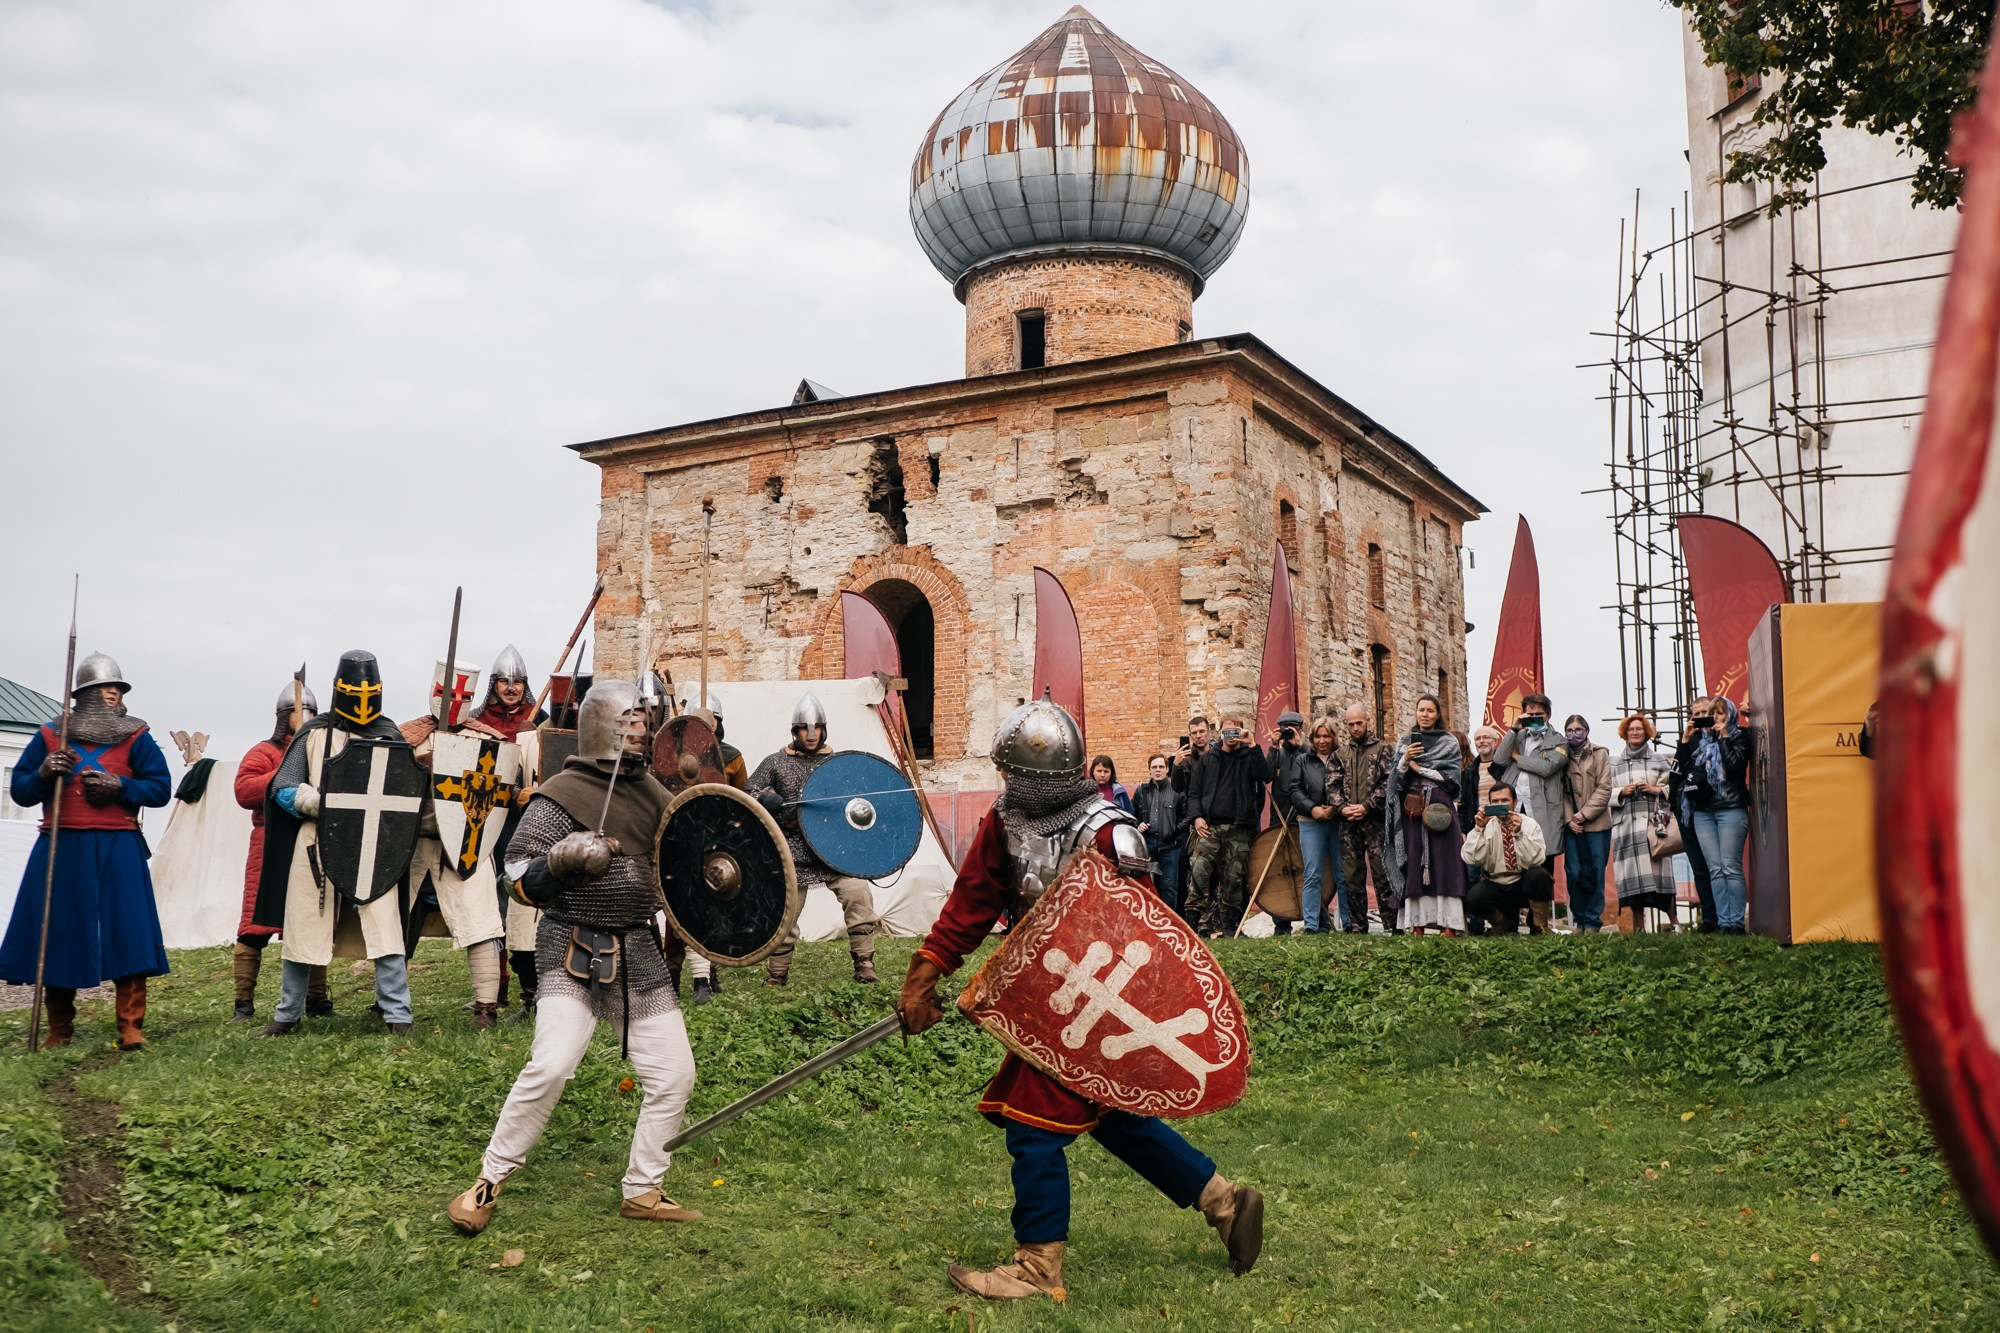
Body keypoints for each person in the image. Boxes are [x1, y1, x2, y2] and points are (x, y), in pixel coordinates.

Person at [896, 693, 1263, 1301]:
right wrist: (926, 970)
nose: (1012, 785)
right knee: (1113, 1115)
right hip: (1044, 1002)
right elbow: (975, 897)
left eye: (1020, 776)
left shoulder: (1112, 835)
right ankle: (1223, 1201)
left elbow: (1140, 937)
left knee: (1034, 1127)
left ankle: (1038, 1269)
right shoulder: (1007, 818)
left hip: (1095, 1004)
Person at [448, 679, 701, 1234]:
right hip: (571, 947)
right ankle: (487, 1182)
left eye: (643, 722)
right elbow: (515, 877)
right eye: (628, 722)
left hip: (638, 949)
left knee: (675, 1074)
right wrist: (560, 862)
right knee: (552, 1064)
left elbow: (685, 865)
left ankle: (644, 1188)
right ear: (600, 728)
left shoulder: (658, 797)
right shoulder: (561, 793)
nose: (639, 732)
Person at [0, 653, 171, 1050]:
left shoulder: (136, 735)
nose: (114, 693)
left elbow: (159, 788)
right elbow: (22, 790)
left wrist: (121, 787)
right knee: (59, 933)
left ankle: (131, 1028)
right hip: (63, 844)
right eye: (106, 688)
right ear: (85, 694)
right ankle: (59, 1031)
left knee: (129, 932)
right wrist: (44, 774)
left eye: (118, 688)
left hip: (118, 844)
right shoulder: (49, 735)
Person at [254, 649, 416, 1036]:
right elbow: (284, 789)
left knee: (385, 926)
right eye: (353, 692)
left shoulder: (389, 735)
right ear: (339, 690)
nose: (361, 701)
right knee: (303, 925)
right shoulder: (314, 733)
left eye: (368, 692)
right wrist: (317, 802)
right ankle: (287, 1013)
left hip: (374, 845)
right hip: (317, 841)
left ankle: (398, 1014)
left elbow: (404, 796)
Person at [402, 658, 511, 1030]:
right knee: (397, 919)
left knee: (481, 923)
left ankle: (486, 1007)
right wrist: (420, 768)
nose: (452, 701)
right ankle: (392, 1000)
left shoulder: (487, 742)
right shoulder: (405, 738)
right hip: (413, 842)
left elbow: (499, 790)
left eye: (461, 695)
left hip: (467, 845)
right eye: (445, 693)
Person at [751, 692, 880, 984]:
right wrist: (764, 799)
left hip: (832, 851)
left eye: (817, 728)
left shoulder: (836, 763)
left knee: (858, 894)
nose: (811, 735)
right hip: (793, 850)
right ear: (794, 731)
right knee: (785, 912)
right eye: (805, 729)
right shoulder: (775, 762)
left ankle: (865, 963)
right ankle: (778, 974)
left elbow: (858, 799)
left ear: (824, 729)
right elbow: (747, 794)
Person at [231, 680, 332, 1023]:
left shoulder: (322, 750)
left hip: (308, 842)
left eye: (313, 713)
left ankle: (317, 1000)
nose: (308, 717)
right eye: (302, 711)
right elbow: (244, 791)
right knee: (253, 926)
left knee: (310, 921)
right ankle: (243, 1003)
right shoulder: (263, 752)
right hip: (267, 842)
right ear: (285, 715)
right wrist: (286, 773)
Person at [473, 645, 544, 1016]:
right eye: (505, 680)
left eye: (518, 682)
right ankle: (494, 985)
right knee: (492, 904)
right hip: (487, 821)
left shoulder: (541, 720)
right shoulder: (476, 721)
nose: (511, 687)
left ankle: (533, 991)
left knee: (525, 903)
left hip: (527, 822)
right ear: (494, 683)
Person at [1385, 695, 1467, 937]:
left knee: (1445, 862)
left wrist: (1420, 769)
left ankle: (1449, 925)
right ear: (1416, 712)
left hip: (1440, 808)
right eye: (1421, 709)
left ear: (1438, 714)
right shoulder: (1404, 741)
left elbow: (1453, 779)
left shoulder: (1449, 742)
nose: (1425, 714)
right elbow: (1395, 781)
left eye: (1430, 710)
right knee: (1412, 862)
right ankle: (1417, 924)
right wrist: (1405, 761)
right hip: (1412, 811)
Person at [1675, 696, 1752, 934]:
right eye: (1713, 713)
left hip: (1730, 808)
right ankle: (1723, 922)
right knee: (1715, 869)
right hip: (1703, 812)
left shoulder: (1741, 735)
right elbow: (1686, 772)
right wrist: (1686, 740)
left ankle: (1736, 923)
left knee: (1730, 867)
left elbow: (1735, 765)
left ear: (1730, 714)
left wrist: (1725, 737)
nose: (1716, 718)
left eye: (1721, 713)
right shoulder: (1700, 740)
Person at [1185, 717, 1267, 937]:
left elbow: (1265, 775)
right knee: (1199, 872)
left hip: (1239, 827)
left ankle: (1231, 928)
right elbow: (1194, 793)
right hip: (1209, 826)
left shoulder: (1249, 755)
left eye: (1235, 731)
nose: (1231, 736)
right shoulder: (1208, 759)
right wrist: (1197, 817)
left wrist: (1252, 745)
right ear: (1219, 733)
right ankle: (1192, 926)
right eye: (1227, 731)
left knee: (1234, 878)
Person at [1608, 714, 1678, 932]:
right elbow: (1604, 792)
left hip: (1653, 828)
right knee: (1634, 883)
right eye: (1631, 729)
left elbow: (1674, 787)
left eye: (1639, 729)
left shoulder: (1658, 760)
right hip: (1626, 828)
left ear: (1646, 732)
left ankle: (1675, 924)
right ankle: (1638, 928)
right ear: (1625, 733)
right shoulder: (1615, 763)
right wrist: (1621, 792)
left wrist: (1655, 790)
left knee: (1661, 880)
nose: (1635, 732)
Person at [1491, 695, 1568, 889]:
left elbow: (1546, 767)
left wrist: (1517, 756)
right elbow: (1499, 759)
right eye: (1529, 715)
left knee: (1542, 863)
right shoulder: (1518, 736)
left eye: (1538, 715)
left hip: (1543, 808)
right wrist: (1514, 728)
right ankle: (1516, 914)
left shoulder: (1559, 740)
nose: (1534, 719)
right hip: (1516, 806)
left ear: (1548, 716)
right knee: (1512, 860)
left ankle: (1538, 917)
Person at [1279, 717, 1345, 936]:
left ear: (1334, 737)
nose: (1322, 740)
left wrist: (1336, 808)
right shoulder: (1303, 760)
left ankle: (1349, 923)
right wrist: (1312, 809)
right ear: (1312, 738)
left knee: (1342, 873)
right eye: (1318, 736)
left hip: (1338, 821)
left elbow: (1349, 786)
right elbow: (1294, 789)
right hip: (1310, 822)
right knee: (1313, 874)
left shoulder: (1342, 758)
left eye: (1327, 736)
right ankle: (1311, 925)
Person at [1461, 783, 1553, 933]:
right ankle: (1500, 924)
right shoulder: (1485, 825)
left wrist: (1518, 834)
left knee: (1540, 876)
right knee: (1473, 898)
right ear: (1489, 804)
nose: (1500, 805)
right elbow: (1471, 859)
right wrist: (1479, 829)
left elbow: (1536, 860)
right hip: (1495, 883)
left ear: (1515, 802)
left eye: (1504, 800)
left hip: (1521, 883)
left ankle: (1540, 926)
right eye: (1495, 802)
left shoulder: (1529, 824)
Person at [1337, 703, 1394, 933]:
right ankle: (1358, 925)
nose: (1355, 728)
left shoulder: (1383, 750)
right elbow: (1331, 784)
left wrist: (1367, 807)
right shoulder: (1340, 753)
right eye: (1350, 724)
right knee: (1352, 876)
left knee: (1382, 873)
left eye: (1359, 723)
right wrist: (1342, 808)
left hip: (1375, 822)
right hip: (1348, 824)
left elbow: (1389, 782)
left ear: (1367, 721)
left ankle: (1392, 924)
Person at [1667, 696, 1721, 933]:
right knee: (1699, 867)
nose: (1700, 718)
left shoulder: (1722, 736)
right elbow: (1674, 775)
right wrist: (1684, 741)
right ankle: (1709, 919)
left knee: (1718, 866)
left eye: (1704, 713)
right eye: (1695, 714)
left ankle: (1725, 918)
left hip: (1714, 810)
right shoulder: (1687, 740)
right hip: (1688, 811)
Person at [1557, 715, 1613, 934]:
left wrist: (1585, 814)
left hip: (1597, 824)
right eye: (1569, 730)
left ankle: (1592, 920)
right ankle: (1579, 918)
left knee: (1596, 871)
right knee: (1574, 871)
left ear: (1587, 731)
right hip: (1572, 827)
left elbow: (1604, 788)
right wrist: (1570, 818)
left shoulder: (1600, 753)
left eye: (1578, 729)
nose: (1574, 734)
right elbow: (1559, 791)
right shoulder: (1561, 755)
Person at [1131, 754, 1187, 918]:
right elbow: (1131, 814)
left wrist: (1174, 830)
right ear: (1149, 770)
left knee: (1169, 886)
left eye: (1161, 767)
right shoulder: (1141, 791)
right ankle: (1147, 921)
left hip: (1170, 845)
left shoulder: (1176, 791)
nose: (1157, 770)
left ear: (1167, 769)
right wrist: (1137, 824)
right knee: (1145, 885)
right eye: (1154, 767)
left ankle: (1169, 923)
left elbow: (1186, 816)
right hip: (1147, 844)